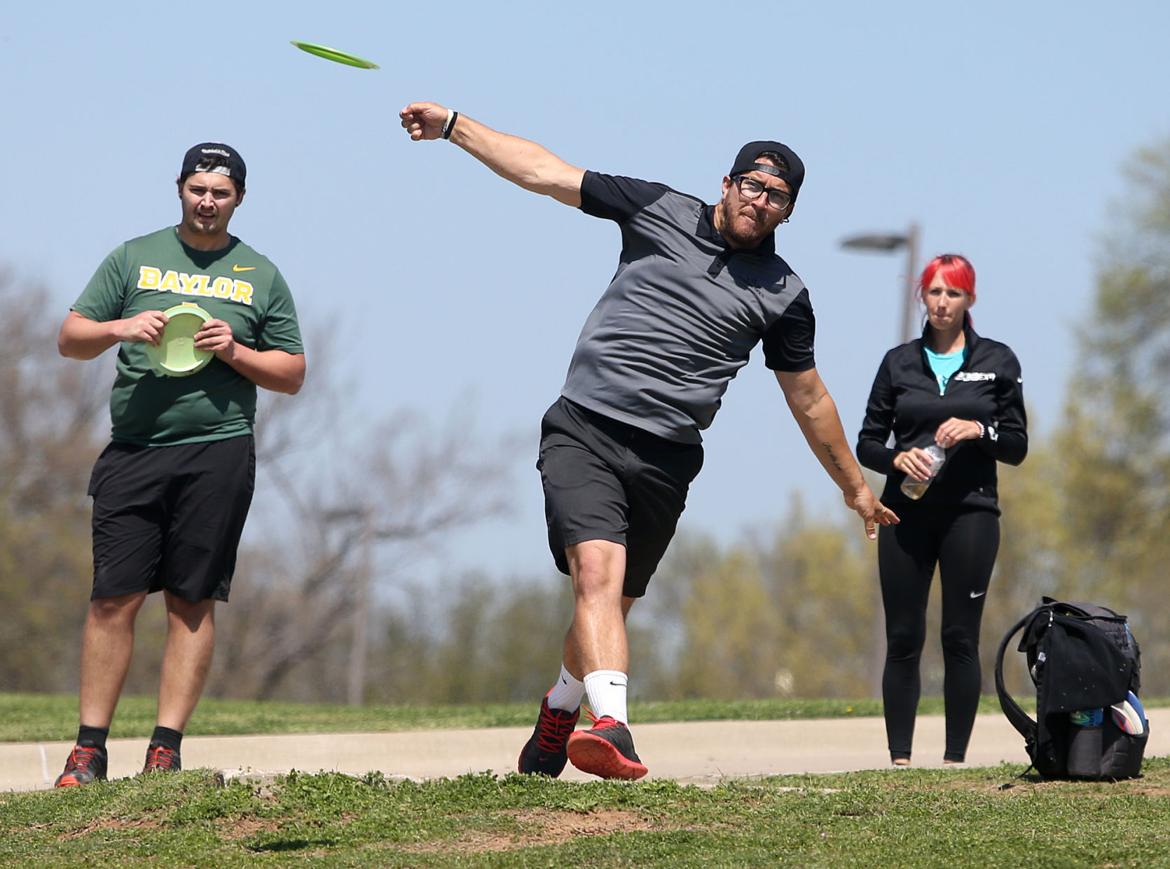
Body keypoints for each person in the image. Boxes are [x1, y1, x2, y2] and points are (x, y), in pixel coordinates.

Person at [399, 102, 898, 780]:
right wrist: (457, 126)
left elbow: (808, 397)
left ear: (788, 212)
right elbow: (546, 173)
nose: (760, 200)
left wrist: (856, 488)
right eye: (752, 184)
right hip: (586, 427)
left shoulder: (784, 295)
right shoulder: (658, 208)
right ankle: (614, 727)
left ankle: (560, 708)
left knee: (611, 604)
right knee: (597, 576)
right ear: (726, 184)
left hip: (667, 458)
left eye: (777, 196)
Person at [52, 143, 306, 787]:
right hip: (135, 449)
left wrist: (235, 351)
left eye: (221, 192)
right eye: (198, 189)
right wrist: (120, 327)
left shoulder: (259, 274)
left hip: (218, 450)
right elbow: (70, 338)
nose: (207, 201)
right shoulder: (133, 257)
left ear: (239, 198)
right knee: (112, 598)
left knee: (192, 600)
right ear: (179, 188)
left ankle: (165, 749)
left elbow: (292, 373)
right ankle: (88, 751)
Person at [856, 253, 1027, 766]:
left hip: (971, 514)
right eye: (934, 291)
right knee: (903, 637)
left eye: (953, 293)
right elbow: (867, 442)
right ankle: (900, 761)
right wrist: (895, 458)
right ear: (922, 297)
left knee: (959, 637)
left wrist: (979, 430)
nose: (943, 302)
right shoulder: (898, 362)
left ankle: (954, 760)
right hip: (904, 513)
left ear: (970, 299)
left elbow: (1016, 445)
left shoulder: (998, 360)